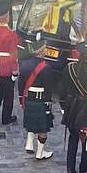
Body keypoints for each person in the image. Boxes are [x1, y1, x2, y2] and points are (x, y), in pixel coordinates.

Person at [61, 42, 87, 173]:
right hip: (86, 108)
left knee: (73, 138)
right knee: (86, 138)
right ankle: (84, 166)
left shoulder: (69, 68)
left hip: (71, 106)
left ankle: (70, 167)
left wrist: (63, 107)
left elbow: (63, 90)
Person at [17, 32, 56, 160]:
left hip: (28, 98)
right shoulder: (46, 67)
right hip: (40, 99)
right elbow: (48, 89)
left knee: (31, 121)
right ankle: (40, 152)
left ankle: (29, 144)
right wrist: (48, 102)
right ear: (41, 51)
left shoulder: (24, 65)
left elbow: (21, 84)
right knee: (43, 128)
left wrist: (21, 98)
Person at [0, 8, 21, 129]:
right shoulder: (11, 34)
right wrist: (15, 71)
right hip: (6, 68)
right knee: (9, 94)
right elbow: (13, 55)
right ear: (6, 17)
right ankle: (6, 117)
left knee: (0, 90)